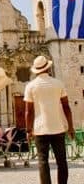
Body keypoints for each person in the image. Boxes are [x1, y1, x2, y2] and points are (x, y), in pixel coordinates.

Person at [24, 55, 74, 184]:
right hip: (58, 127)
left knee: (43, 161)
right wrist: (71, 126)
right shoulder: (58, 84)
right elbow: (66, 107)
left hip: (40, 129)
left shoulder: (31, 86)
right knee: (62, 161)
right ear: (48, 68)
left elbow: (28, 111)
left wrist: (28, 130)